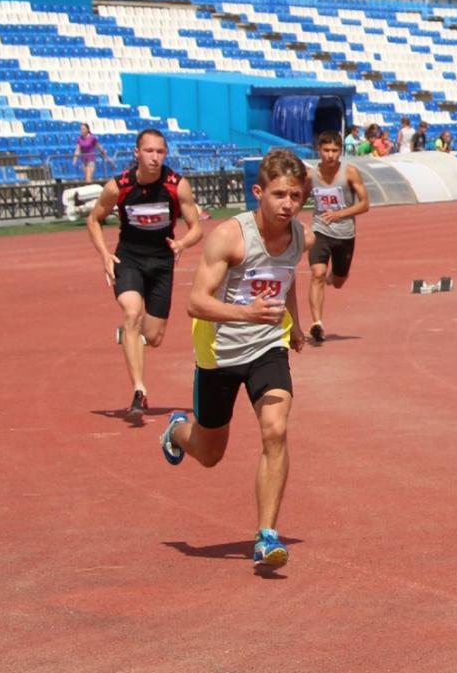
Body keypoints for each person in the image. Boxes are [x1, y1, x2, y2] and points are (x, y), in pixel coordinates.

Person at [159, 150, 309, 575]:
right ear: (258, 192)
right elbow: (195, 303)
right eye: (279, 194)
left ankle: (266, 536)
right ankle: (177, 430)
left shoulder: (297, 235)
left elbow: (287, 275)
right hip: (219, 354)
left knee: (276, 430)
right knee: (209, 453)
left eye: (296, 196)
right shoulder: (229, 237)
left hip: (267, 347)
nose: (288, 205)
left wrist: (294, 325)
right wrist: (246, 314)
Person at [87, 128, 205, 422]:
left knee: (153, 337)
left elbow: (197, 227)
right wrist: (104, 255)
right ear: (136, 153)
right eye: (149, 151)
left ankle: (131, 335)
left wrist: (182, 243)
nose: (154, 157)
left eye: (160, 152)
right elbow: (94, 219)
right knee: (132, 312)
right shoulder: (120, 186)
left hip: (162, 262)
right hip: (128, 259)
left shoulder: (177, 186)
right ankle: (139, 390)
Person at [304, 130, 370, 345]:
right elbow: (300, 199)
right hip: (319, 229)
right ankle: (317, 323)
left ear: (340, 151)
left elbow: (364, 204)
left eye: (334, 150)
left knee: (339, 280)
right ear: (319, 150)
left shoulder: (350, 172)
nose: (330, 155)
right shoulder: (311, 175)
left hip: (345, 234)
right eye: (326, 150)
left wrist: (339, 214)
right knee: (317, 273)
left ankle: (334, 277)